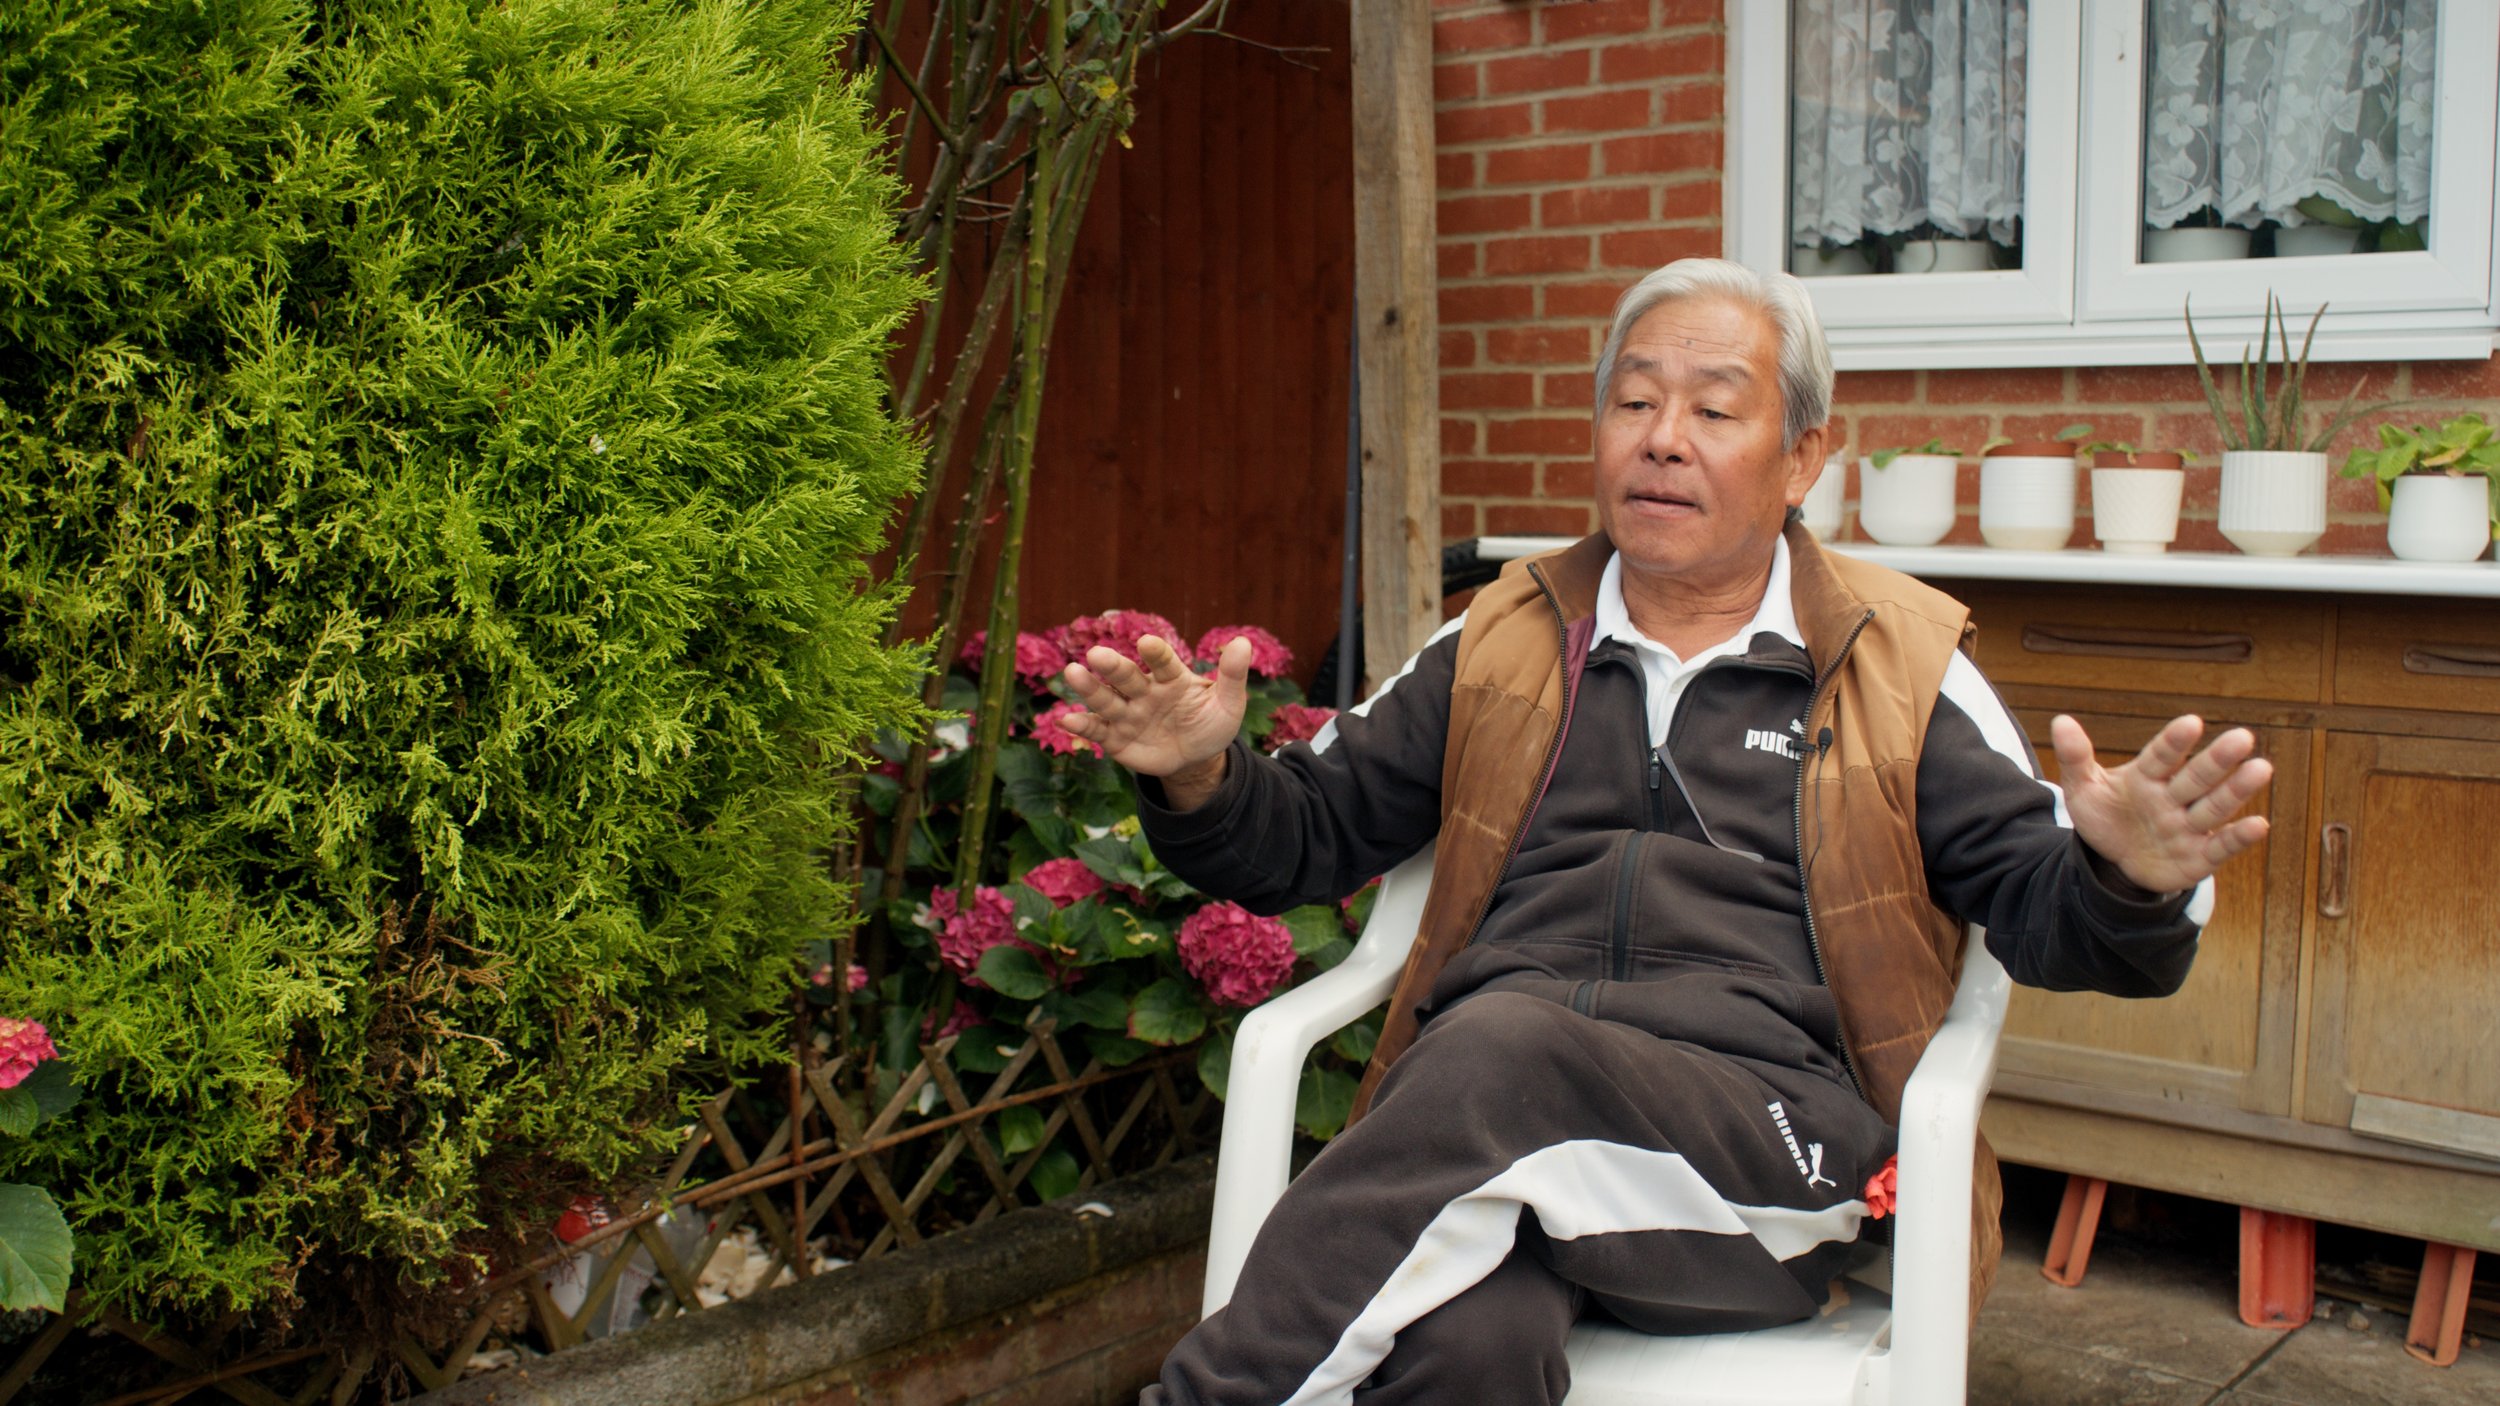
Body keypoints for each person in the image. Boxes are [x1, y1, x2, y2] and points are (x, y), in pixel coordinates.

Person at [1058, 258, 2271, 1406]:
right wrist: (1203, 774)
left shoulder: (1896, 664)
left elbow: (2044, 913)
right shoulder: (1502, 637)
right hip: (1496, 1134)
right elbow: (1303, 839)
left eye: (1711, 409)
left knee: (1499, 1052)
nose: (1661, 436)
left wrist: (2127, 876)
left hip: (1762, 1153)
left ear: (1801, 457)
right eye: (1632, 399)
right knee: (1462, 1343)